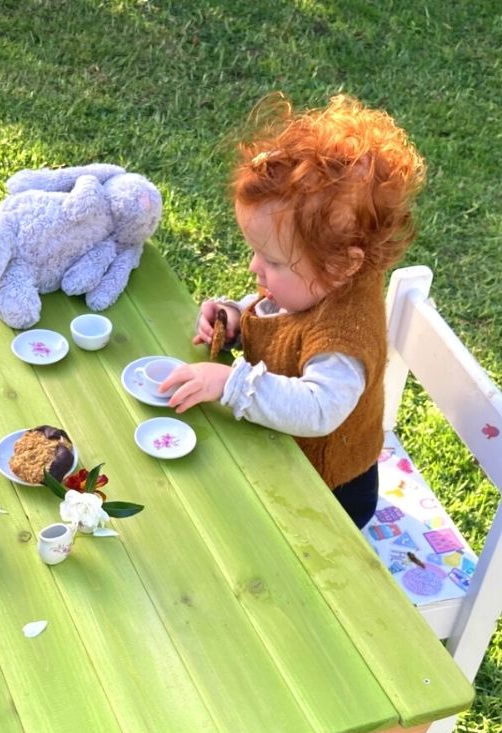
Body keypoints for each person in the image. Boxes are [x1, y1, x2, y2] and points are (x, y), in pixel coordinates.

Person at [162, 94, 425, 528]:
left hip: (326, 494)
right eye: (255, 252)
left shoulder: (345, 337)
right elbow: (280, 317)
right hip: (281, 452)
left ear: (344, 265)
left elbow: (319, 409)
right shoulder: (315, 281)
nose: (254, 267)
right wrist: (236, 318)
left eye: (273, 261)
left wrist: (230, 382)